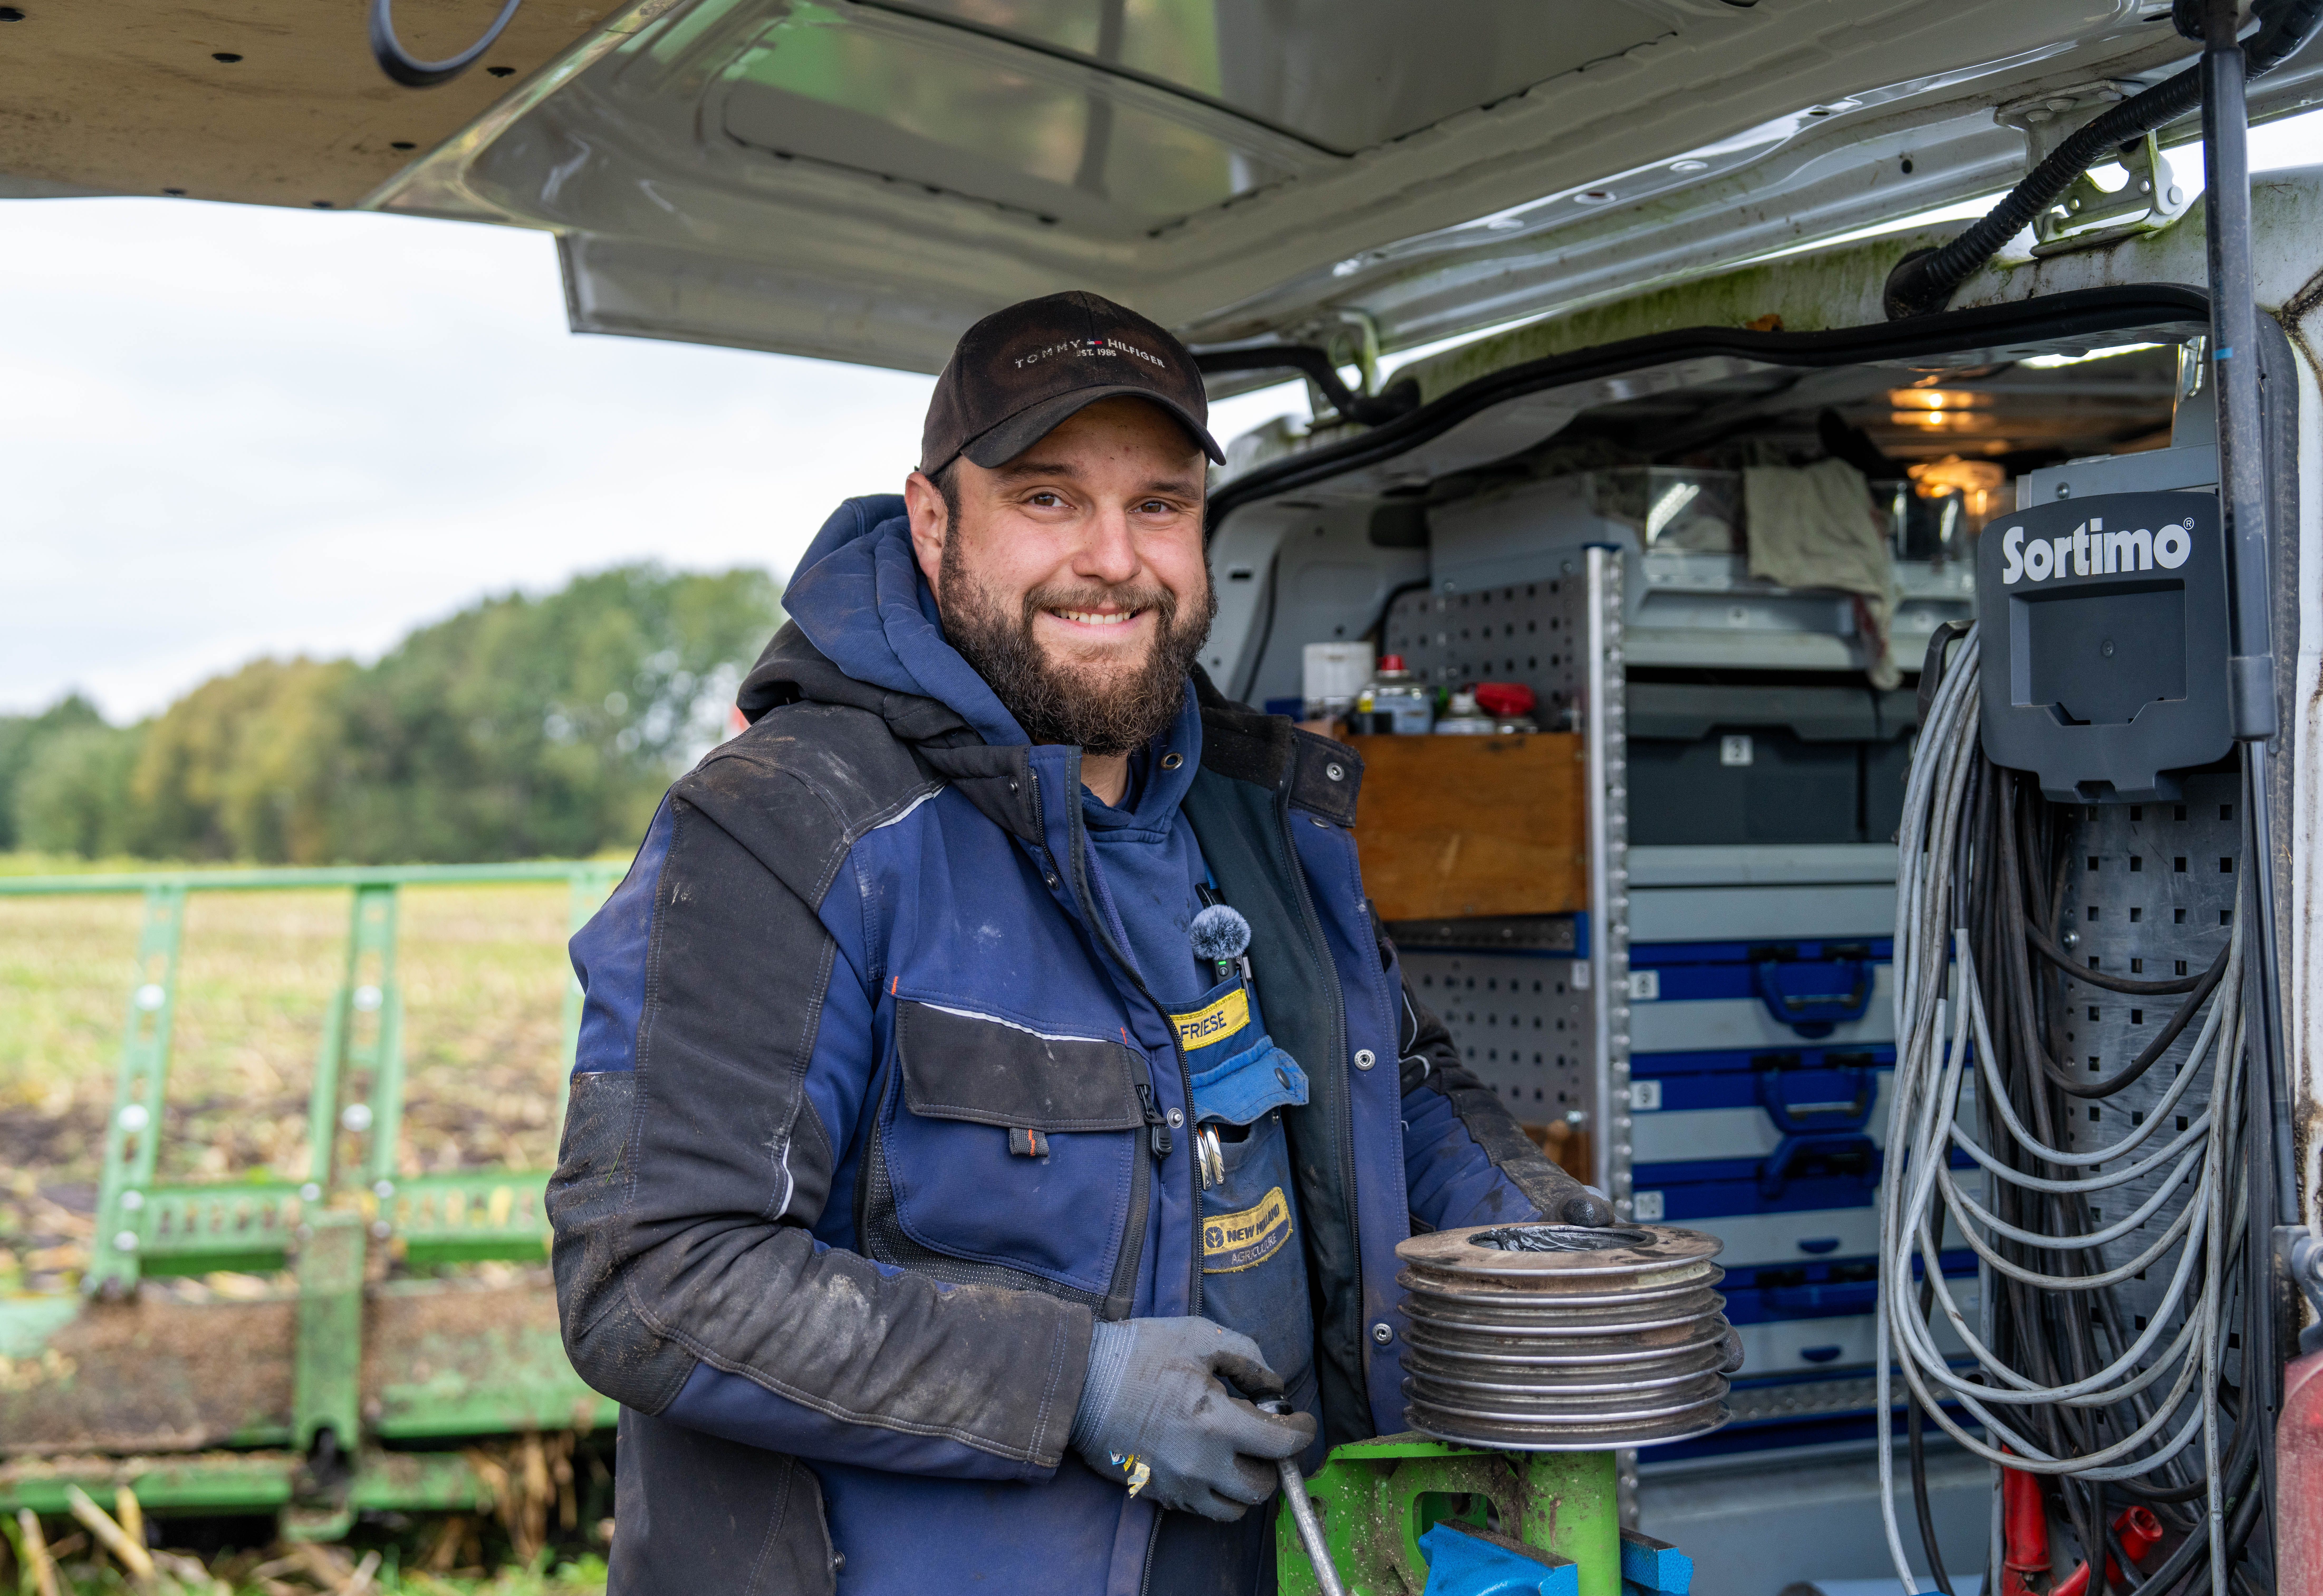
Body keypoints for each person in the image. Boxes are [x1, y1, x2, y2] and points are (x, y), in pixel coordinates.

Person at [549, 290, 1612, 1595]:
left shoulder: (1255, 814)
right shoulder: (787, 828)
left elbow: (1395, 1083)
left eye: (1158, 504)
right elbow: (652, 1274)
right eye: (1047, 499)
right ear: (933, 521)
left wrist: (1543, 1242)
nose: (1112, 559)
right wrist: (1075, 1383)